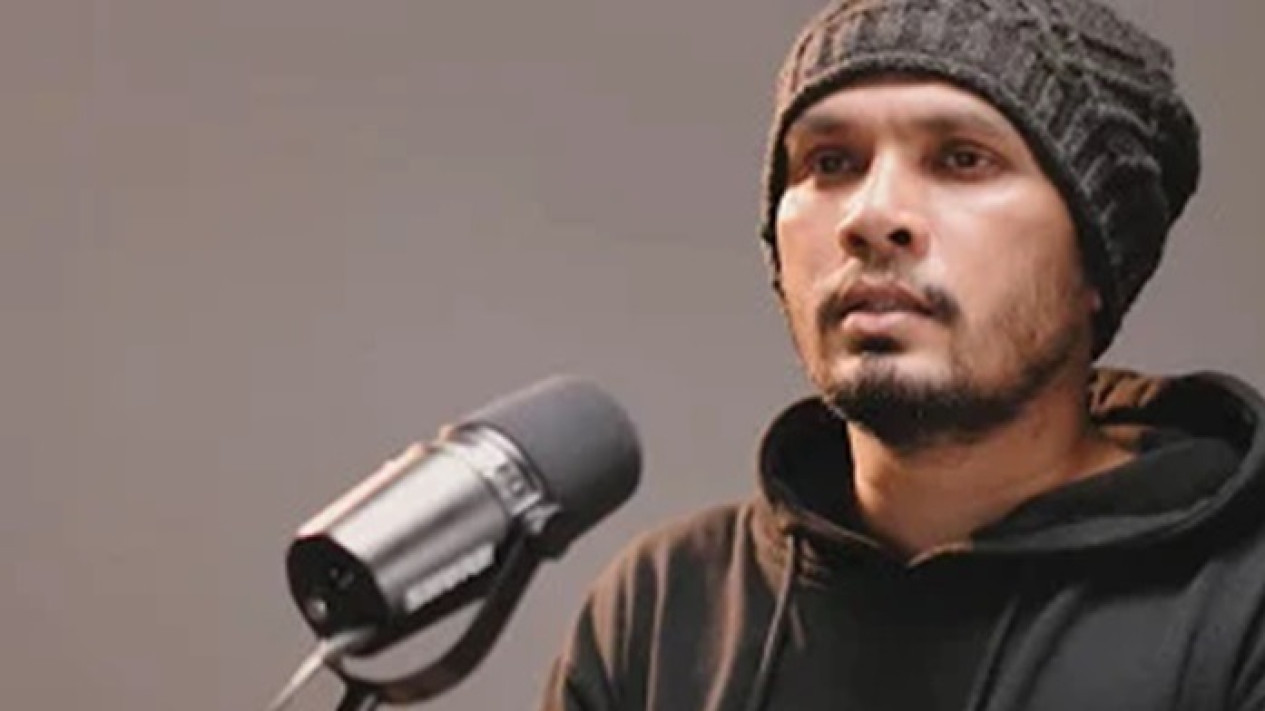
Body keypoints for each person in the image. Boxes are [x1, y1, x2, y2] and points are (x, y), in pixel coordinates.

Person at [539, 1, 1265, 709]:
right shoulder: (665, 611)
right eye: (830, 162)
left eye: (962, 159)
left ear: (1092, 264)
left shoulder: (1240, 606)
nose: (872, 215)